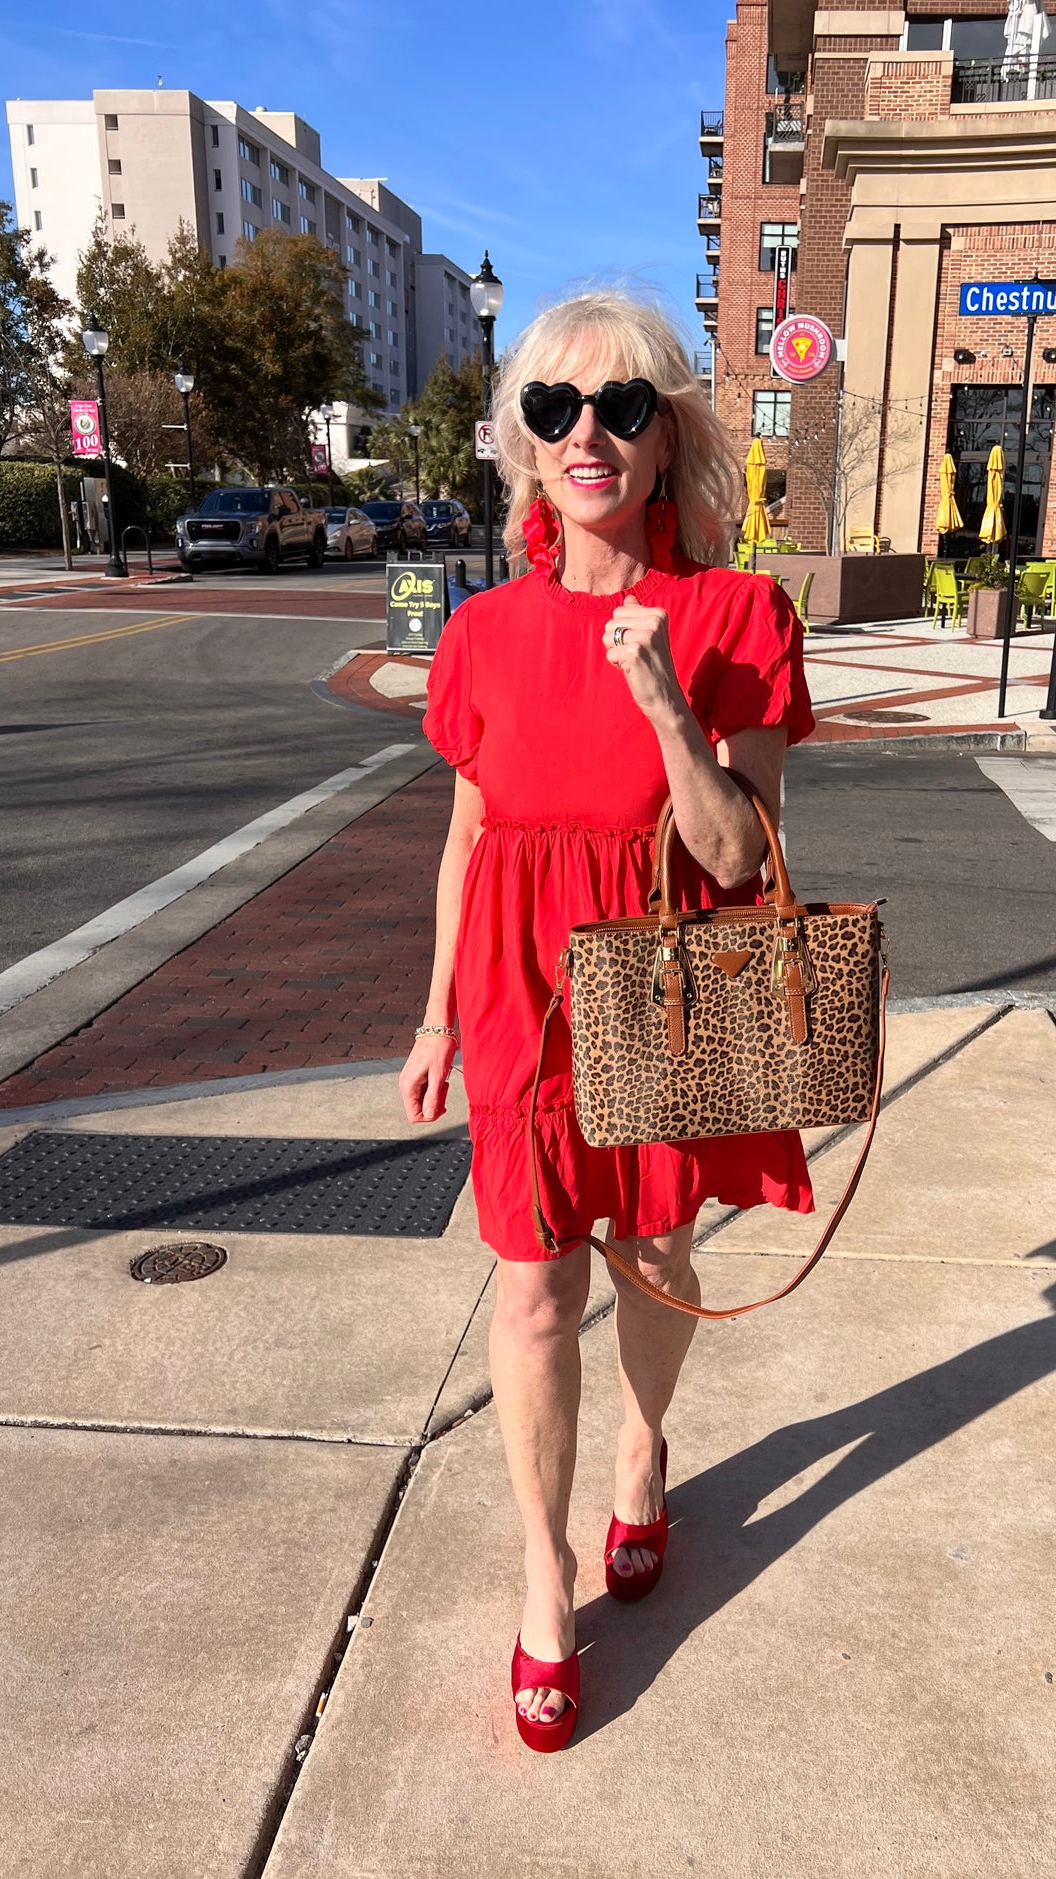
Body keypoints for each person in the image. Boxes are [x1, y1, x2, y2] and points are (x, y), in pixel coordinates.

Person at [399, 290, 814, 1752]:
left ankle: (643, 1449)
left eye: (624, 408)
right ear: (518, 443)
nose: (588, 434)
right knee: (525, 1290)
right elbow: (465, 836)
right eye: (555, 408)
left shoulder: (737, 613)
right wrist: (437, 1011)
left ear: (664, 440)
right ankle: (542, 1573)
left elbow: (738, 861)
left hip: (653, 975)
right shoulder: (480, 635)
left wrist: (659, 706)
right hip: (517, 990)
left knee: (649, 1255)